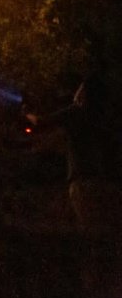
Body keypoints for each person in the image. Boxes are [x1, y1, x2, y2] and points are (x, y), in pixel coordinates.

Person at [26, 73, 122, 234]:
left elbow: (40, 122)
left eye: (80, 87)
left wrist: (27, 113)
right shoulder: (101, 116)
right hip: (104, 179)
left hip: (82, 179)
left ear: (84, 92)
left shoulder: (76, 112)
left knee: (90, 231)